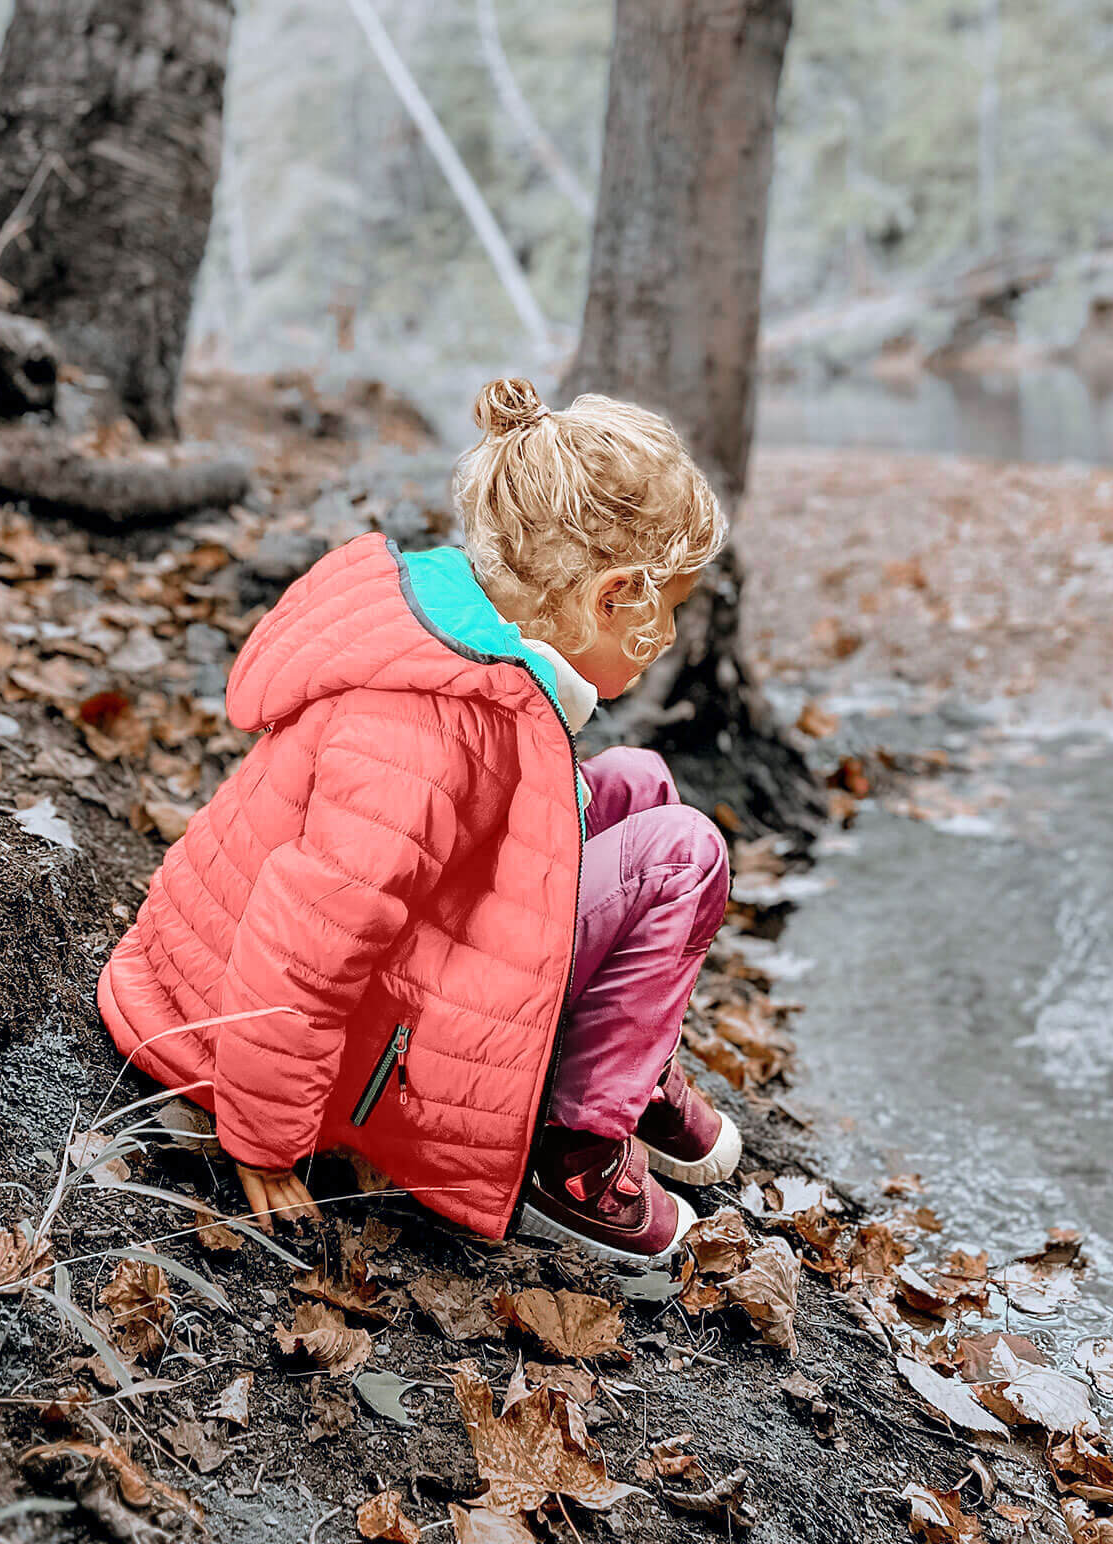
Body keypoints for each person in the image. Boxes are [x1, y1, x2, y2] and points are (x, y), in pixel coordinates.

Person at [97, 376, 740, 1264]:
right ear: (611, 596)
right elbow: (308, 936)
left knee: (634, 780)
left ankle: (616, 1065)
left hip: (325, 1003)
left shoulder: (463, 642)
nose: (667, 639)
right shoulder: (428, 728)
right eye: (664, 613)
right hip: (270, 1047)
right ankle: (574, 1153)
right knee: (683, 857)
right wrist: (262, 1131)